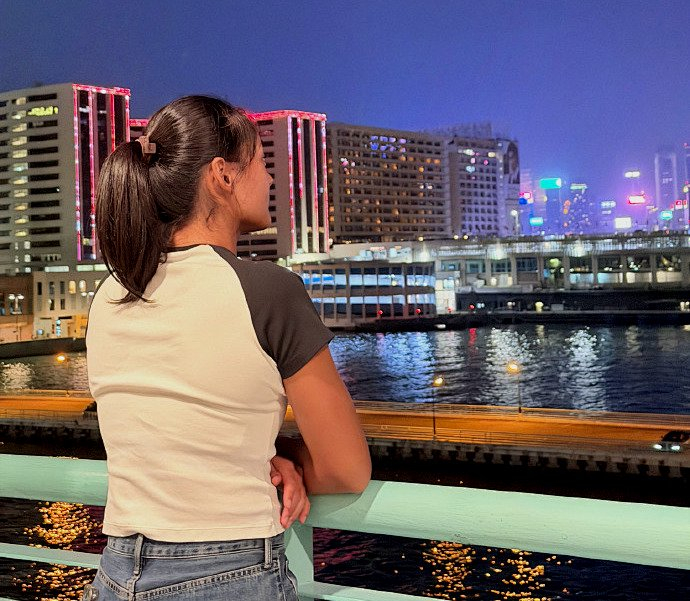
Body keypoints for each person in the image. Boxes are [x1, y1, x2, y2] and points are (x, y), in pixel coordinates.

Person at [84, 95, 371, 601]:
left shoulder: (111, 294)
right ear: (222, 175)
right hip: (229, 574)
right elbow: (346, 469)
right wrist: (283, 457)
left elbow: (174, 430)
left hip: (114, 574)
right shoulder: (267, 290)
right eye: (260, 162)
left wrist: (266, 455)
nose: (270, 179)